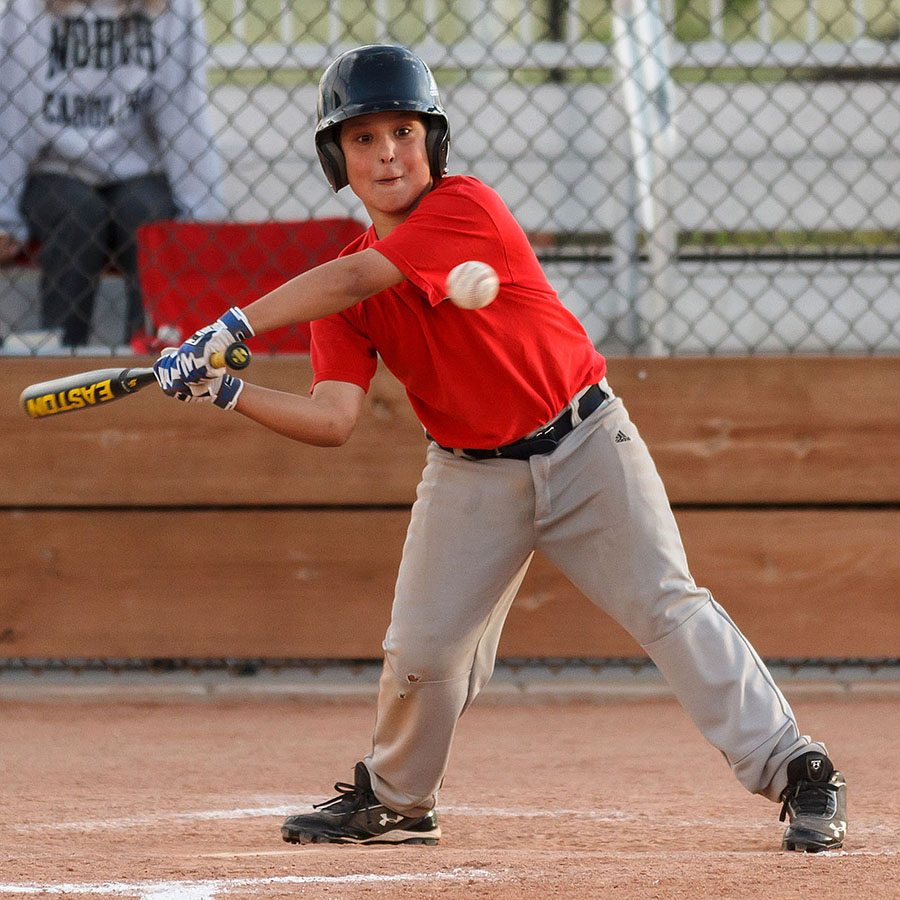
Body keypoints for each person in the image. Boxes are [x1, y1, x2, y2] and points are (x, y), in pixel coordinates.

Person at [152, 44, 848, 853]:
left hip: (585, 441)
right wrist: (229, 390)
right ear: (336, 157)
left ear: (433, 142)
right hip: (468, 473)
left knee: (667, 604)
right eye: (362, 137)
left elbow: (355, 281)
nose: (385, 153)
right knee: (420, 652)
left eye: (403, 132)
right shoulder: (337, 293)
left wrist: (227, 328)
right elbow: (333, 417)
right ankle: (401, 801)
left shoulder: (464, 207)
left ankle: (801, 770)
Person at [0, 0, 225, 351]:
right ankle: (60, 360)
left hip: (136, 167)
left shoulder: (173, 7)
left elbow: (185, 112)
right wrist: (3, 215)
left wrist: (203, 218)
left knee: (149, 218)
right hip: (52, 165)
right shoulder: (23, 8)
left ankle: (153, 360)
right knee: (77, 216)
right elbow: (9, 110)